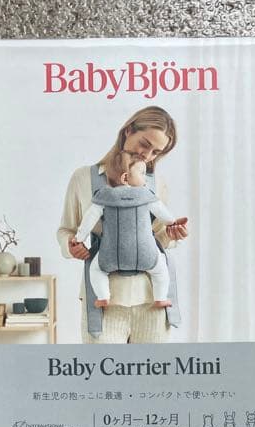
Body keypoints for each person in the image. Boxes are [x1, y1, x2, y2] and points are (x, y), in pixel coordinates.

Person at [57, 106, 188, 344]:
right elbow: (67, 229)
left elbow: (158, 239)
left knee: (152, 369)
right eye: (145, 144)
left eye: (156, 152)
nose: (147, 156)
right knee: (100, 368)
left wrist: (172, 235)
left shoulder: (155, 184)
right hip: (101, 302)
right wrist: (71, 245)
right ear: (128, 131)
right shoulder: (83, 178)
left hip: (151, 302)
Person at [73, 151, 188, 311]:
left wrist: (79, 239)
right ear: (125, 177)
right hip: (146, 253)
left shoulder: (103, 197)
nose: (145, 179)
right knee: (161, 269)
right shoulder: (146, 195)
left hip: (111, 254)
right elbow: (163, 214)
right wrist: (173, 223)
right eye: (142, 173)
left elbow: (88, 221)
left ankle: (103, 296)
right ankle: (161, 298)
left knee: (96, 270)